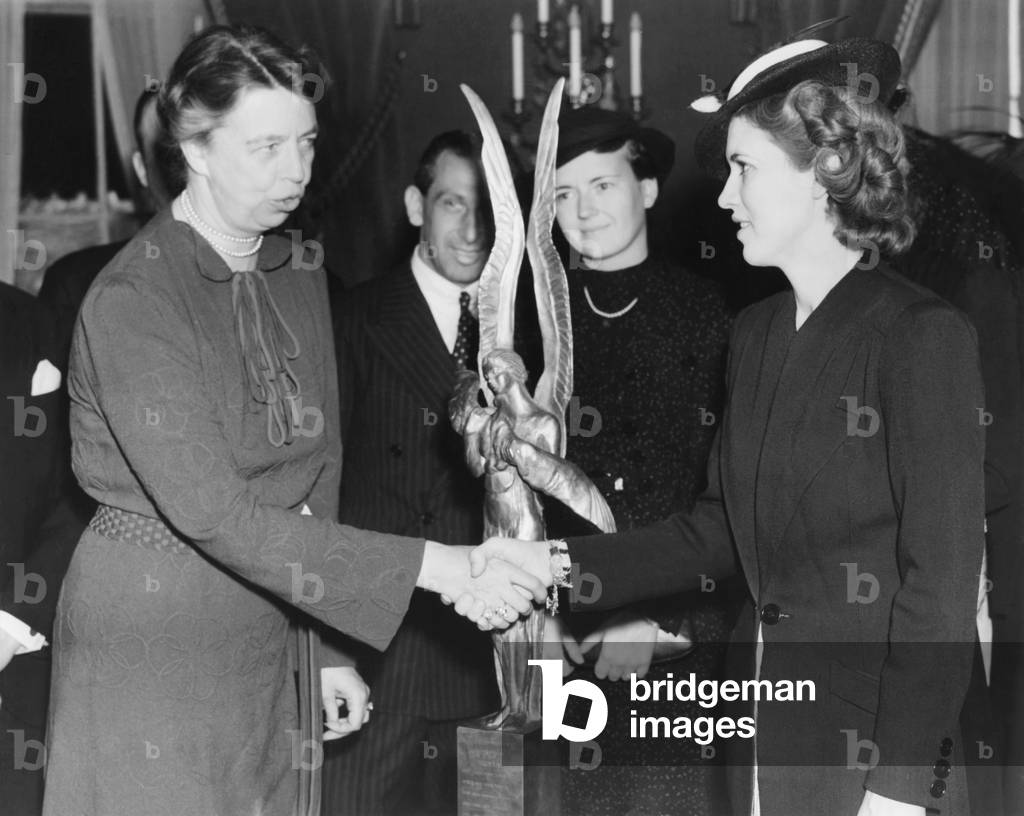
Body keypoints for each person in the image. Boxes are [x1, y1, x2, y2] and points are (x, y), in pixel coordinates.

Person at [474, 37, 984, 816]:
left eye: (744, 169)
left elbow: (940, 597)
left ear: (823, 170)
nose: (723, 199)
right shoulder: (756, 333)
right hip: (756, 740)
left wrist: (899, 792)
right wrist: (546, 565)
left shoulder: (920, 335)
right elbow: (714, 533)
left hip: (875, 764)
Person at [41, 26, 543, 816]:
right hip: (157, 623)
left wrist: (332, 649)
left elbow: (319, 476)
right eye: (266, 147)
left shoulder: (297, 270)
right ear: (196, 149)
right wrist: (435, 567)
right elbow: (216, 514)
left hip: (269, 627)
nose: (296, 173)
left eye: (306, 144)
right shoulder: (134, 298)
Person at [546, 105, 733, 816]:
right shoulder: (539, 324)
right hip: (567, 638)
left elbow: (717, 495)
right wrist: (550, 612)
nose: (583, 209)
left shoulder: (707, 314)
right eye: (562, 194)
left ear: (648, 190)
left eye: (601, 184)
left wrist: (644, 612)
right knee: (579, 799)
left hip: (676, 634)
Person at [322, 130, 499, 816]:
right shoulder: (351, 318)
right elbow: (312, 496)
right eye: (454, 203)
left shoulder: (529, 330)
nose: (473, 228)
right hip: (374, 663)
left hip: (492, 669)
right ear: (415, 206)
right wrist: (326, 652)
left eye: (486, 208)